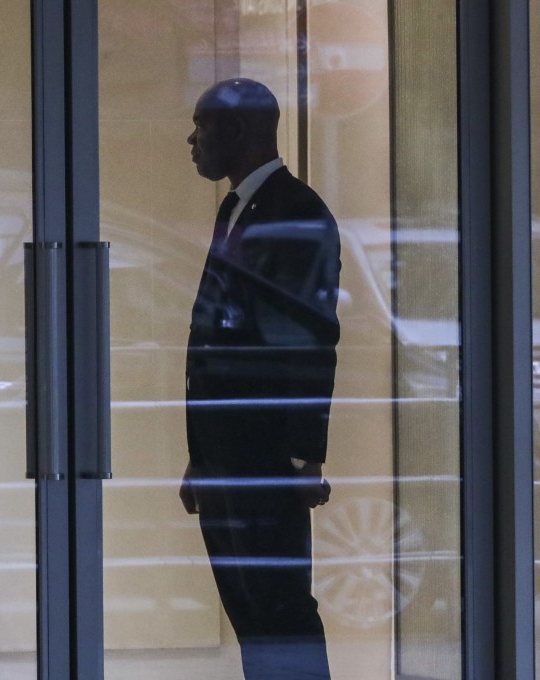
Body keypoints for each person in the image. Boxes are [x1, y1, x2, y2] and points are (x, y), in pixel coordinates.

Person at [179, 78, 340, 680]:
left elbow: (306, 342)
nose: (192, 139)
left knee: (279, 610)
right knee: (251, 607)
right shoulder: (238, 206)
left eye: (203, 125)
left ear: (239, 130)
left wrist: (304, 457)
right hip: (231, 456)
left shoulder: (295, 211)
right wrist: (202, 457)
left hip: (264, 456)